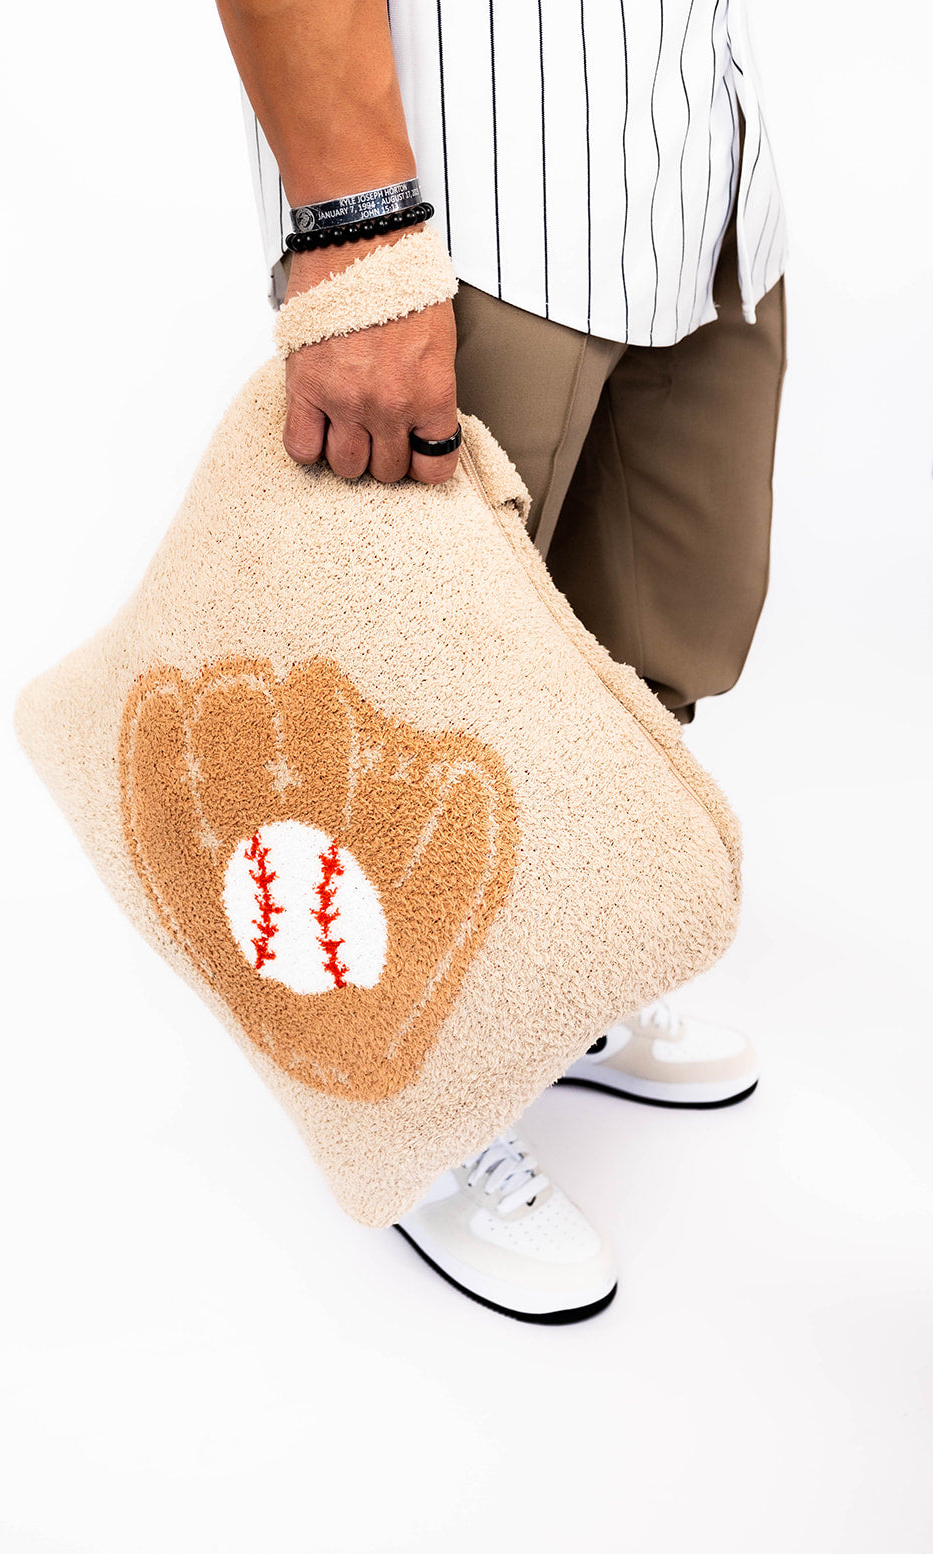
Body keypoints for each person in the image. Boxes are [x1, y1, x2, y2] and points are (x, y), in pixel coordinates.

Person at [213, 0, 787, 1323]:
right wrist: (352, 227)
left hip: (689, 153)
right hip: (474, 186)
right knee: (409, 703)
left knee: (659, 623)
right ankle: (403, 1100)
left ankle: (551, 997)